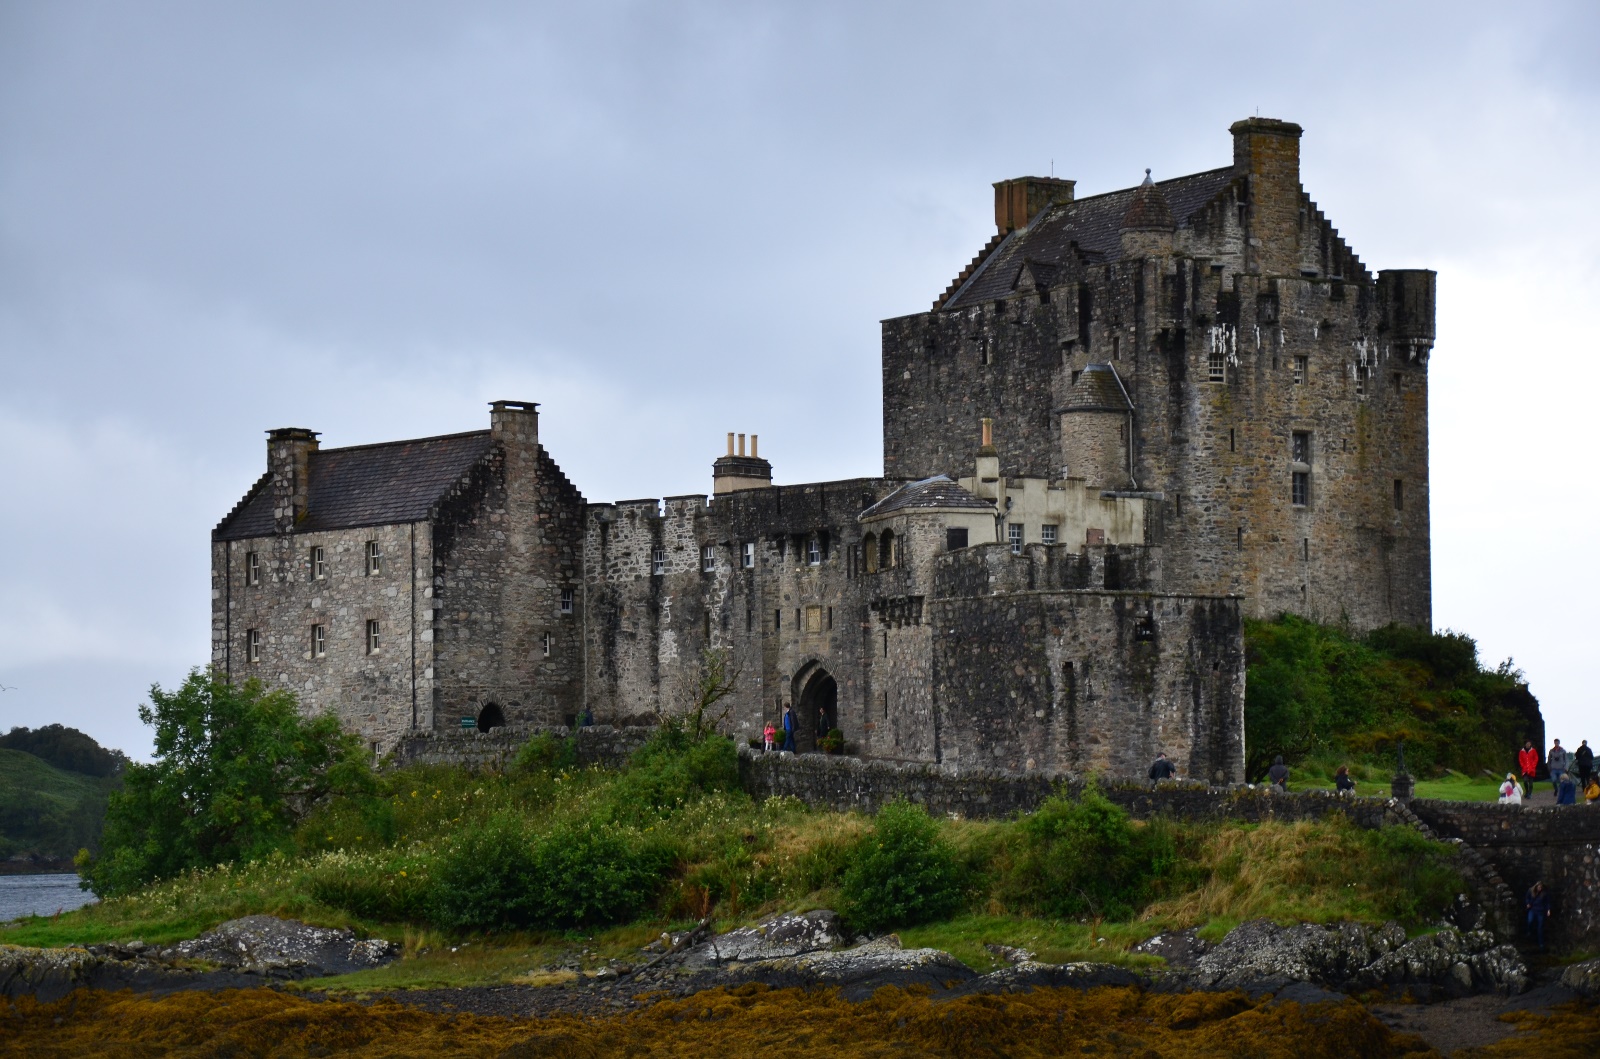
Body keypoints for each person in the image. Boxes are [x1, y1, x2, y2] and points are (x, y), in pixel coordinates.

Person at [1525, 881, 1551, 951]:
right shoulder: (1531, 891)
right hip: (1532, 910)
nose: (1540, 888)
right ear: (1536, 887)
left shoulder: (1545, 893)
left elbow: (1547, 902)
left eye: (1541, 887)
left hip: (1540, 911)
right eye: (1539, 887)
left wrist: (1548, 910)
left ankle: (1541, 944)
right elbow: (1527, 898)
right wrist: (1528, 904)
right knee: (1530, 921)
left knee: (1540, 927)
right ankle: (1529, 932)